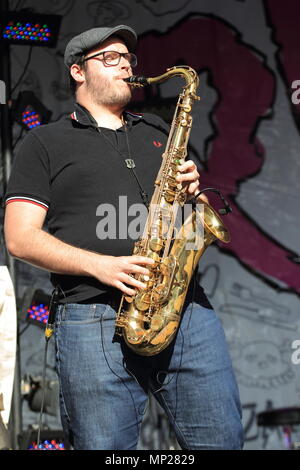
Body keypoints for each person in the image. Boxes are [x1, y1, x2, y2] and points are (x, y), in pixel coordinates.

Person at [4, 25, 244, 450]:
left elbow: (173, 211)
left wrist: (190, 187)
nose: (127, 65)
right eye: (111, 57)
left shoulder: (156, 129)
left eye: (129, 58)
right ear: (78, 71)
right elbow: (20, 239)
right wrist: (103, 265)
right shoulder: (44, 142)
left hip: (184, 310)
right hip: (92, 318)